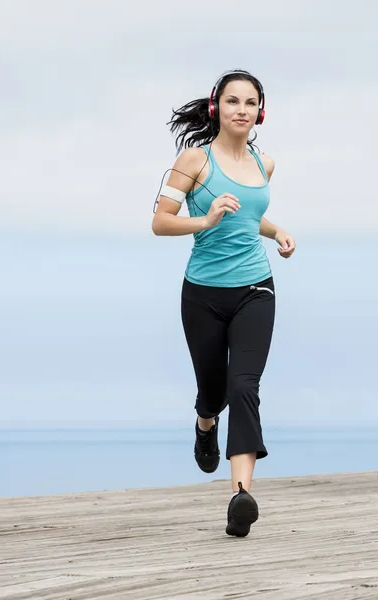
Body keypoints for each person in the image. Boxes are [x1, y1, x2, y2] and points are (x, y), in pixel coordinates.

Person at [151, 69, 296, 537]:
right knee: (214, 391)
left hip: (257, 288)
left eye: (250, 103)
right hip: (203, 296)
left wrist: (277, 232)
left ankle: (241, 497)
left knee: (245, 386)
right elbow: (160, 222)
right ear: (217, 108)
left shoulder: (264, 164)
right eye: (232, 101)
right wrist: (207, 219)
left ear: (261, 112)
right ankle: (205, 423)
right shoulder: (193, 160)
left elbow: (250, 217)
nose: (241, 109)